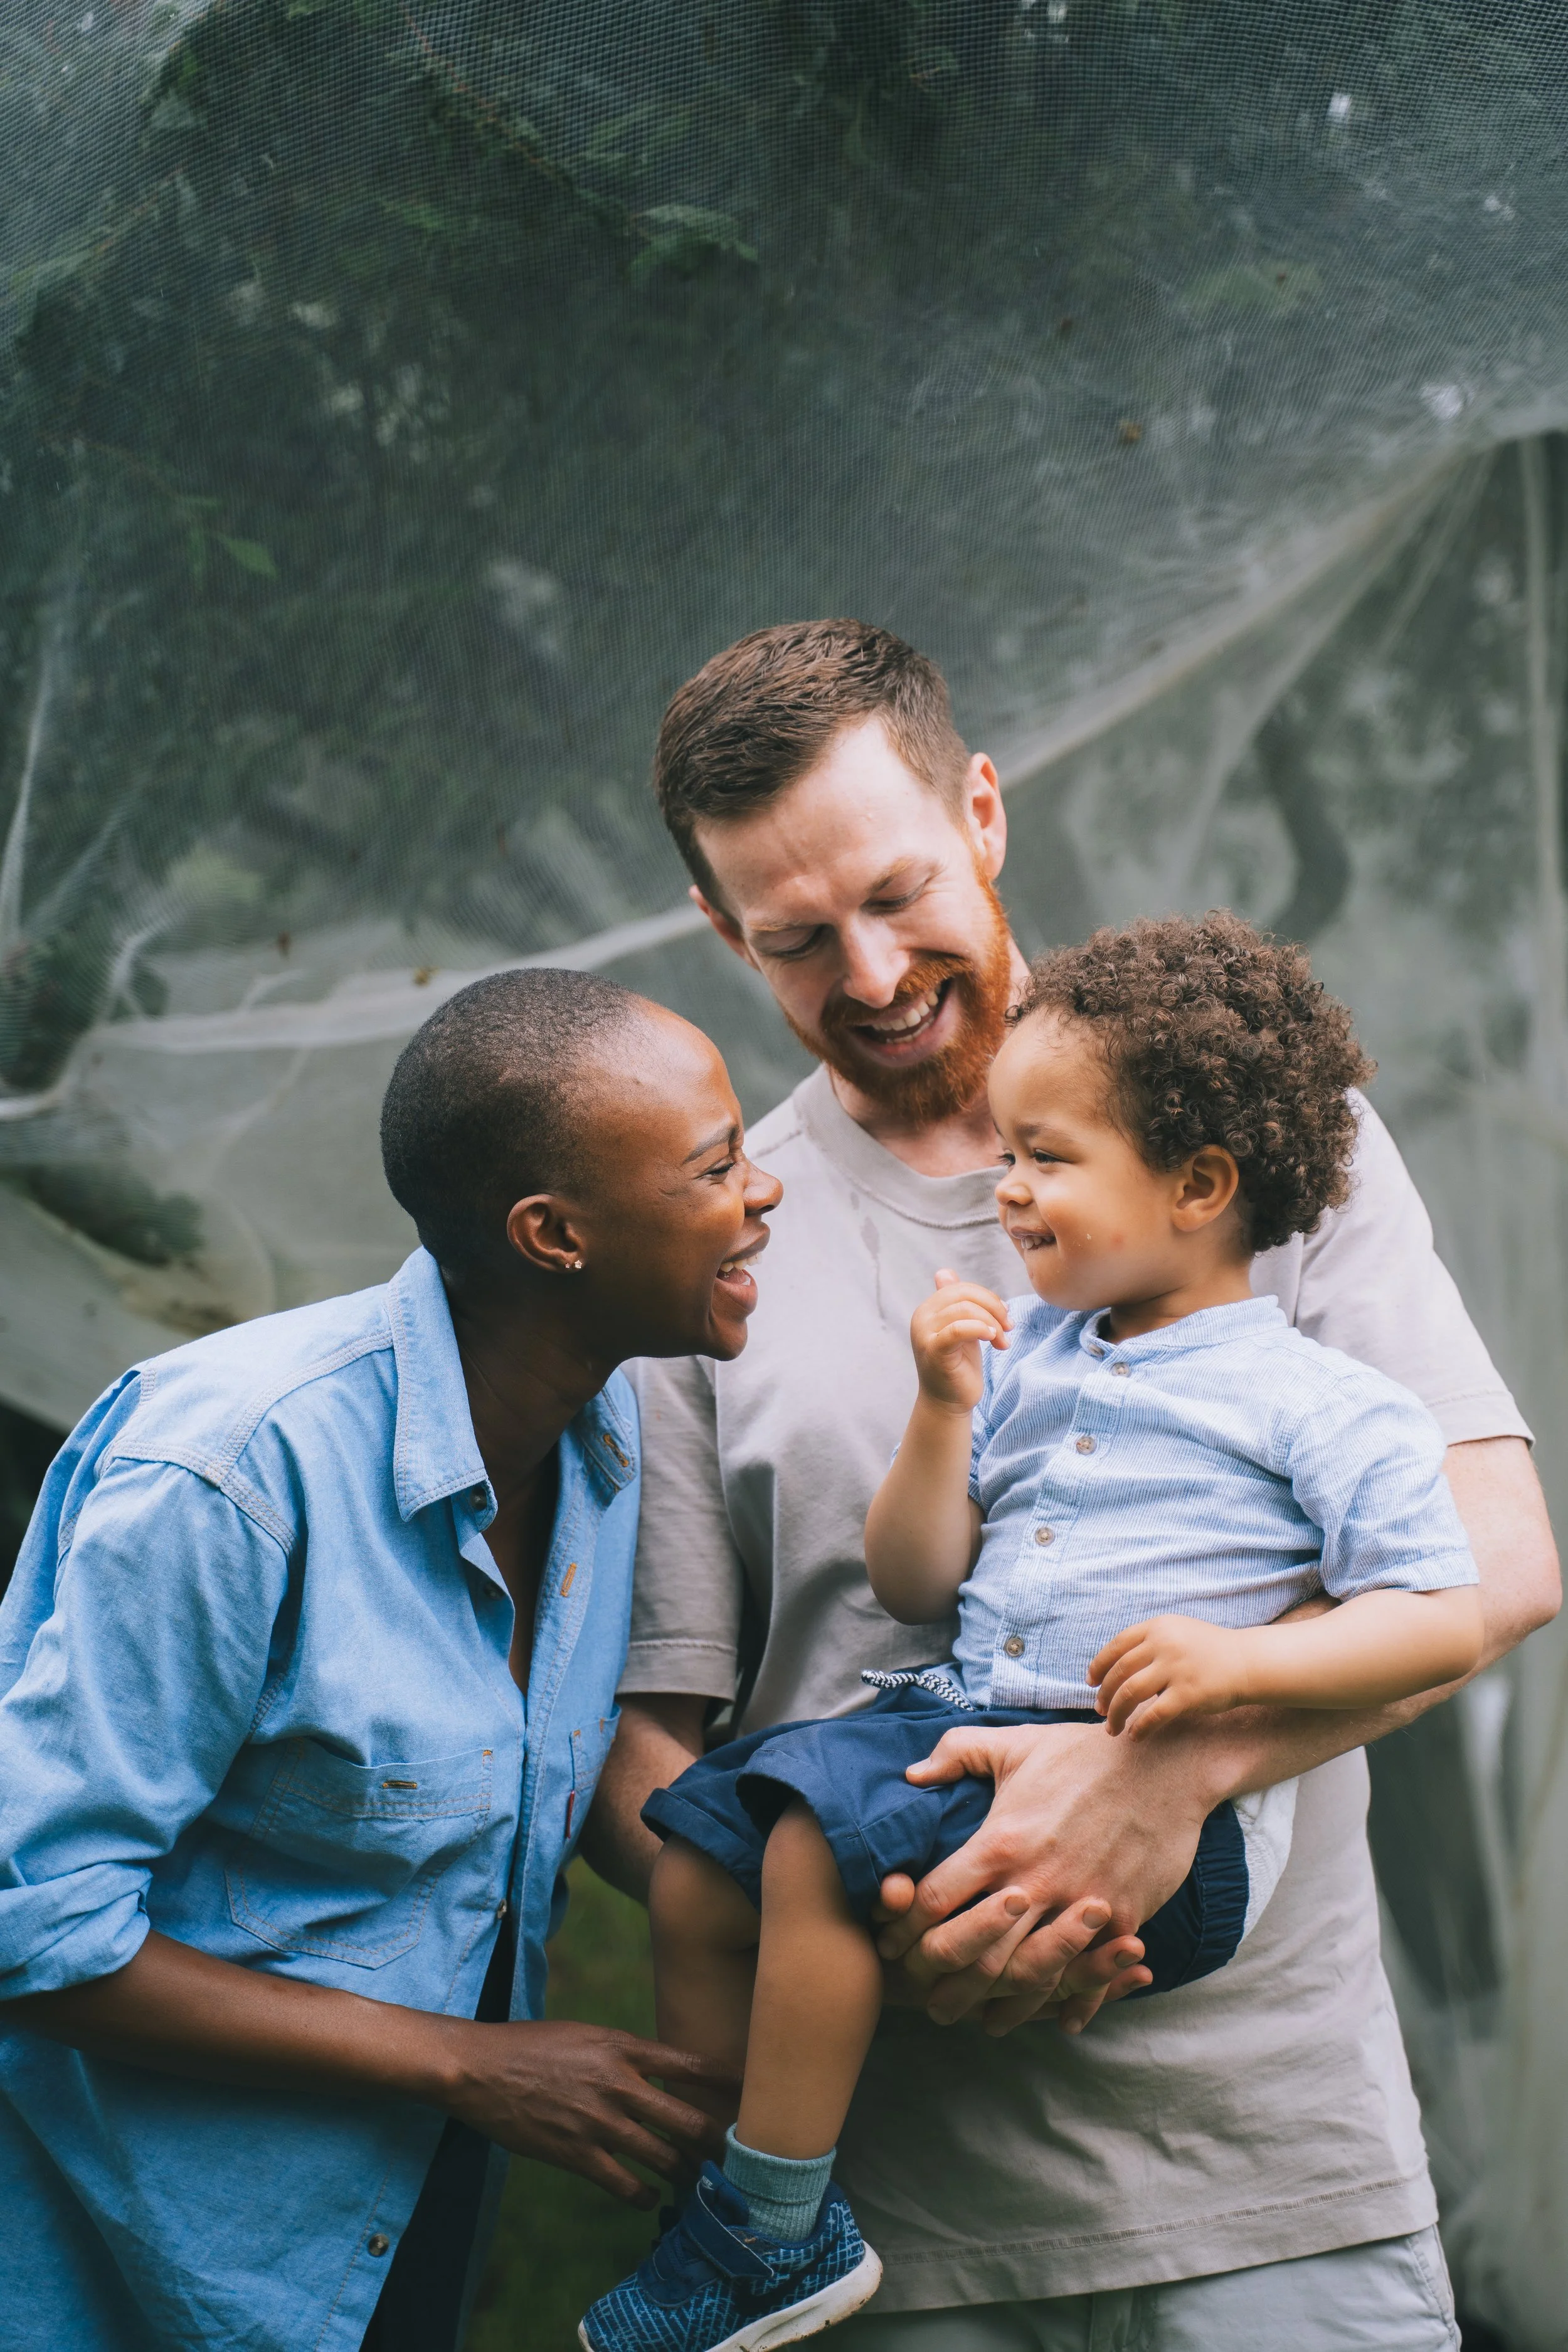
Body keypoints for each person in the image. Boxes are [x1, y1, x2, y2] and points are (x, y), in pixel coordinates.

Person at [585, 622, 1561, 2349]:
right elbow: (650, 1739)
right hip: (895, 2223)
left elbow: (1494, 1553)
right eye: (795, 939)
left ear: (981, 810)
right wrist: (885, 1925)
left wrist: (1159, 1779)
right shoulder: (713, 1229)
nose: (871, 972)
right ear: (724, 929)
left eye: (896, 894)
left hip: (1265, 2166)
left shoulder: (1249, 1134)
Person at [0, 968, 781, 2352]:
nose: (762, 1190)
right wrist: (466, 2065)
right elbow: (36, 1927)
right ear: (554, 1235)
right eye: (716, 1164)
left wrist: (827, 1913)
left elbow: (559, 1764)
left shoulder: (602, 1448)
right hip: (123, 2260)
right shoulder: (233, 1473)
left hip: (394, 2232)